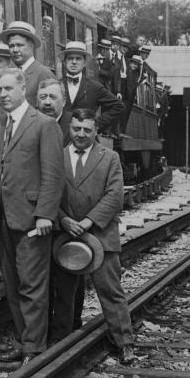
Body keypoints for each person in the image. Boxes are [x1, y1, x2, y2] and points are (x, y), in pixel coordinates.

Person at [0, 68, 64, 365]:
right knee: (12, 286)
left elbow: (53, 176)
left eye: (7, 89)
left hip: (31, 220)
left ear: (22, 88)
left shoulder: (44, 125)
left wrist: (45, 216)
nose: (2, 95)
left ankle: (34, 348)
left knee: (32, 286)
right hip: (1, 219)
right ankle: (23, 340)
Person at [51, 110, 135, 364]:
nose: (81, 134)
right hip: (65, 236)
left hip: (101, 235)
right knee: (63, 293)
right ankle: (62, 341)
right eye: (76, 128)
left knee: (110, 290)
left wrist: (87, 222)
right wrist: (63, 219)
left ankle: (124, 342)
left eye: (87, 130)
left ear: (96, 130)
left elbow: (114, 196)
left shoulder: (109, 158)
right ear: (70, 128)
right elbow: (47, 194)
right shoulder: (56, 157)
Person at [60, 41, 125, 136]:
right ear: (65, 62)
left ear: (85, 63)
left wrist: (97, 125)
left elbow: (119, 106)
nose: (74, 62)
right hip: (61, 140)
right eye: (70, 58)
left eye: (78, 59)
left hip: (87, 140)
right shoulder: (56, 85)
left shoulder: (95, 87)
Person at [2, 21, 55, 107]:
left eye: (19, 45)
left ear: (31, 46)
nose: (15, 50)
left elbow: (51, 110)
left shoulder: (43, 73)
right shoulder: (10, 73)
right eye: (11, 46)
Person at [36, 79, 72, 146]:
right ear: (37, 102)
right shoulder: (28, 123)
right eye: (43, 97)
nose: (47, 102)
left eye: (53, 97)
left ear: (64, 101)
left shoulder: (74, 123)